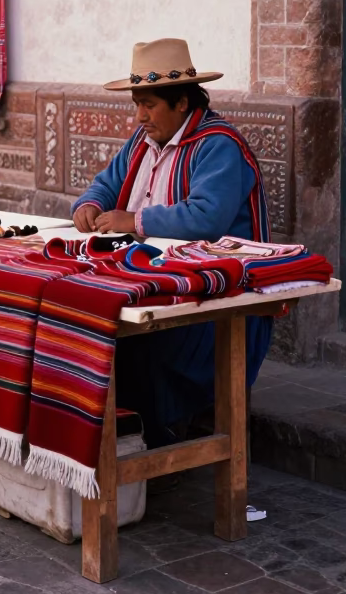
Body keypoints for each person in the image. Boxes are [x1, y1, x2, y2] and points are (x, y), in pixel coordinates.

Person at [72, 38, 272, 451]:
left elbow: (207, 217)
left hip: (217, 296)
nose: (140, 115)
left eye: (149, 105)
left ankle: (155, 443)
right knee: (88, 322)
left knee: (147, 346)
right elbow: (107, 183)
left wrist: (135, 221)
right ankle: (114, 443)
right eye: (136, 104)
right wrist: (89, 204)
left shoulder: (218, 145)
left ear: (181, 102)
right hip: (159, 280)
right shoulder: (142, 141)